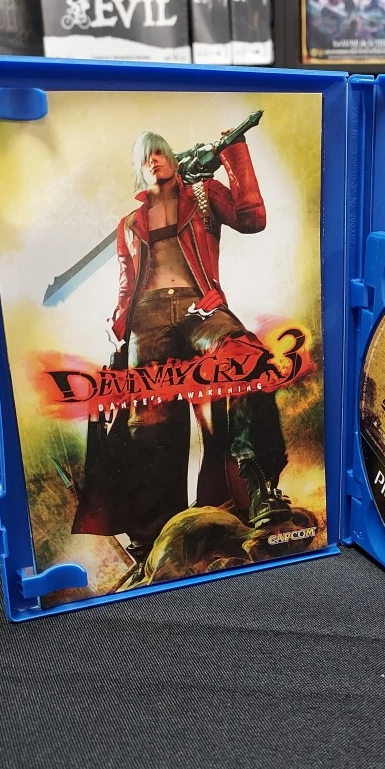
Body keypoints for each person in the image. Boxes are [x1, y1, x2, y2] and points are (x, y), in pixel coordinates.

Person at [73, 128, 292, 568]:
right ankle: (152, 533)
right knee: (149, 420)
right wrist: (119, 324)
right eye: (146, 156)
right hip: (147, 315)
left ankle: (259, 484)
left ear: (173, 159)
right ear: (139, 169)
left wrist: (234, 152)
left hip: (200, 305)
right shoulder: (128, 225)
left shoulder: (204, 195)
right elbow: (126, 286)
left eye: (159, 152)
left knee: (248, 362)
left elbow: (252, 218)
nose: (154, 160)